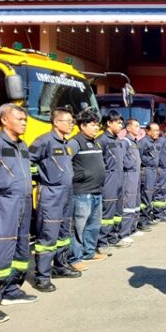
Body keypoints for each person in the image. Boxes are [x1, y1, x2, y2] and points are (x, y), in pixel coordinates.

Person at [0, 104, 36, 326]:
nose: (24, 122)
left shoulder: (22, 145)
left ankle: (11, 290)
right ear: (4, 120)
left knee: (20, 248)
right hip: (4, 203)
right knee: (0, 250)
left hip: (23, 202)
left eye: (25, 119)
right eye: (19, 119)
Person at [29, 107, 81, 293]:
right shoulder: (44, 141)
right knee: (48, 234)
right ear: (57, 122)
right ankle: (42, 277)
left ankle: (60, 265)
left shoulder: (64, 142)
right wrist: (41, 176)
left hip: (66, 192)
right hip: (51, 194)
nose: (72, 124)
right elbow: (27, 161)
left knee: (63, 232)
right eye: (69, 121)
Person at [67, 109, 107, 271]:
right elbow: (65, 164)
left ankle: (89, 252)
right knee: (78, 227)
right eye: (92, 125)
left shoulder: (96, 142)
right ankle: (74, 258)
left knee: (93, 225)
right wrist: (79, 176)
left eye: (97, 125)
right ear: (82, 126)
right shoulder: (74, 143)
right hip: (81, 192)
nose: (96, 128)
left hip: (96, 190)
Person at [96, 111, 125, 251]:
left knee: (118, 210)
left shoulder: (117, 140)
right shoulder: (101, 140)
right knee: (107, 212)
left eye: (121, 123)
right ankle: (102, 242)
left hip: (119, 177)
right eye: (118, 122)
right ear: (108, 123)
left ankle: (113, 237)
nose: (121, 125)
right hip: (109, 179)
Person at [119, 118, 142, 244]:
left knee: (136, 202)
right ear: (128, 128)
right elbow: (122, 159)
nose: (139, 128)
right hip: (129, 175)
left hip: (136, 174)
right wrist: (131, 165)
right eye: (136, 126)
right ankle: (124, 233)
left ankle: (133, 228)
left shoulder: (134, 142)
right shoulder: (125, 142)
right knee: (128, 203)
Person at [138, 122, 160, 231]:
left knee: (151, 195)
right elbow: (139, 156)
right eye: (154, 130)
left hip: (153, 171)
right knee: (145, 196)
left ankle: (147, 218)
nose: (157, 132)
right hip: (146, 171)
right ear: (147, 131)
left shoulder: (154, 142)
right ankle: (142, 221)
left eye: (158, 130)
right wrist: (148, 162)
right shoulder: (143, 142)